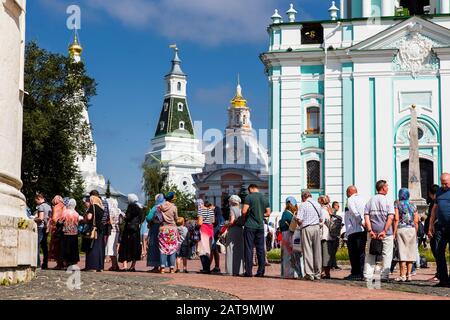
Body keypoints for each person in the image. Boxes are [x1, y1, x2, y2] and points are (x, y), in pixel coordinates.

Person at [363, 180, 395, 282]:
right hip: (386, 233)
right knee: (387, 254)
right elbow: (390, 217)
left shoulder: (370, 200)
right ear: (383, 188)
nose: (388, 188)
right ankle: (384, 275)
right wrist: (385, 231)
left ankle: (367, 275)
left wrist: (369, 230)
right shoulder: (388, 201)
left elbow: (366, 216)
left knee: (370, 254)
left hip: (372, 232)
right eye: (387, 186)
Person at [242, 184, 270, 277]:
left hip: (250, 225)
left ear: (251, 189)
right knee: (260, 249)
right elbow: (268, 213)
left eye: (249, 190)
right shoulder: (265, 198)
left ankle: (248, 272)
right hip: (260, 227)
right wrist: (261, 215)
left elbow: (244, 211)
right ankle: (261, 272)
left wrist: (248, 215)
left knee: (249, 248)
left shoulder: (249, 197)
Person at [428, 172, 450, 288]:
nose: (444, 186)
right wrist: (431, 225)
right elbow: (434, 209)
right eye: (442, 183)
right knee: (438, 251)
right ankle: (443, 279)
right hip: (441, 227)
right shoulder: (440, 191)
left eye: (446, 183)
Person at [393, 188, 419, 282]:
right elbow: (416, 220)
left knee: (402, 252)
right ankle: (409, 275)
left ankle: (402, 275)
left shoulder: (397, 204)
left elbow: (396, 218)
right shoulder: (413, 204)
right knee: (410, 252)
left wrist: (394, 232)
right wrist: (416, 231)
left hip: (401, 228)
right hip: (411, 229)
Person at [297, 190, 323, 281]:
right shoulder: (317, 204)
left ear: (303, 197)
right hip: (316, 227)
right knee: (317, 250)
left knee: (307, 250)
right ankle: (318, 273)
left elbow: (299, 220)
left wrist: (297, 221)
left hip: (307, 228)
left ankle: (309, 273)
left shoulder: (303, 205)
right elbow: (321, 219)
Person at [344, 186, 367, 280]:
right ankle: (362, 272)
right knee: (361, 252)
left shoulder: (350, 200)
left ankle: (355, 272)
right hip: (362, 230)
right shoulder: (363, 199)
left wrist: (361, 222)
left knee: (353, 252)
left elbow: (354, 212)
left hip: (353, 229)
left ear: (349, 192)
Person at [279, 196, 303, 279]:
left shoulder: (285, 213)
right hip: (288, 235)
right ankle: (289, 273)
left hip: (286, 235)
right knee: (289, 255)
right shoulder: (288, 213)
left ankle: (288, 273)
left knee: (287, 255)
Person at [82, 193, 106, 272]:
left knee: (92, 247)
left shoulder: (92, 207)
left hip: (93, 229)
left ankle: (92, 266)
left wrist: (85, 216)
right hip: (100, 229)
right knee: (100, 248)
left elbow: (89, 217)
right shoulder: (101, 208)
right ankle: (100, 266)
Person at [118, 194, 143, 271]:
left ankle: (125, 265)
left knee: (125, 246)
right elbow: (141, 219)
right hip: (136, 230)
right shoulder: (140, 207)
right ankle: (132, 266)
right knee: (135, 247)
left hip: (128, 229)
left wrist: (124, 216)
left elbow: (128, 217)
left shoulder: (130, 206)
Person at [157, 192, 179, 273]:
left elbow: (157, 217)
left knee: (163, 249)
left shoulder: (160, 207)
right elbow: (176, 219)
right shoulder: (174, 207)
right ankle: (172, 268)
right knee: (172, 249)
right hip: (172, 229)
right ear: (172, 199)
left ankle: (162, 268)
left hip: (163, 229)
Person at [225, 195, 244, 276]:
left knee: (230, 249)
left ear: (232, 201)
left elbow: (232, 221)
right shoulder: (241, 209)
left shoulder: (232, 209)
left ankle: (231, 270)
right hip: (240, 230)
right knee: (239, 250)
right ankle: (240, 270)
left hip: (233, 230)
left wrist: (226, 224)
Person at [319, 195, 337, 279]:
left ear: (321, 202)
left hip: (324, 235)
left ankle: (324, 272)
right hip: (330, 235)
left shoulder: (323, 210)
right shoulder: (330, 210)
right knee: (328, 254)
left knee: (324, 254)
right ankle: (326, 272)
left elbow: (322, 222)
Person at [146, 194, 165, 272]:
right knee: (162, 247)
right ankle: (163, 266)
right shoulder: (166, 206)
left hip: (155, 228)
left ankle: (156, 266)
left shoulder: (155, 207)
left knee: (154, 246)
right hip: (165, 229)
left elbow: (148, 218)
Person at [425, 184, 440, 282]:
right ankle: (439, 273)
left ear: (430, 193)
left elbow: (432, 217)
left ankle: (439, 274)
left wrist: (430, 229)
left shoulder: (435, 203)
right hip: (436, 230)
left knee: (437, 251)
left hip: (435, 231)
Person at [105, 198, 124, 271]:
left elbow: (110, 220)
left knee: (110, 248)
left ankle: (114, 265)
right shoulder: (118, 210)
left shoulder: (111, 210)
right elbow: (121, 220)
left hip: (111, 230)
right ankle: (115, 265)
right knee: (114, 249)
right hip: (117, 230)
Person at [196, 199, 215, 273]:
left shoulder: (200, 210)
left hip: (203, 230)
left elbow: (200, 222)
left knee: (202, 250)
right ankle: (207, 268)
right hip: (210, 230)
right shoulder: (211, 210)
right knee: (208, 249)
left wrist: (197, 224)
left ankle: (205, 268)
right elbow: (213, 221)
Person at [61, 199, 80, 268]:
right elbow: (77, 222)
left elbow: (61, 221)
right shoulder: (76, 213)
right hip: (74, 233)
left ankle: (66, 262)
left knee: (66, 248)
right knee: (73, 248)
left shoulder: (65, 212)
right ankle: (73, 262)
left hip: (66, 233)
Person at [34, 193, 51, 269]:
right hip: (46, 228)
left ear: (39, 198)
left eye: (36, 201)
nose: (36, 202)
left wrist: (33, 219)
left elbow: (40, 218)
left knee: (37, 246)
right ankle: (45, 264)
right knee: (45, 247)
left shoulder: (41, 206)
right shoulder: (49, 206)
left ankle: (37, 264)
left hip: (40, 227)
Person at [48, 195, 65, 270]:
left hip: (56, 228)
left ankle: (59, 264)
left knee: (56, 246)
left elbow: (54, 219)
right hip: (63, 228)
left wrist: (51, 221)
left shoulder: (56, 207)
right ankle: (62, 263)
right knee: (61, 246)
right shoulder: (64, 206)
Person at [210, 204, 225, 273]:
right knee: (215, 251)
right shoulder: (221, 217)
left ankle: (208, 266)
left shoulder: (217, 217)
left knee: (212, 251)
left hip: (214, 234)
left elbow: (215, 224)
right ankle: (217, 267)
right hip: (217, 235)